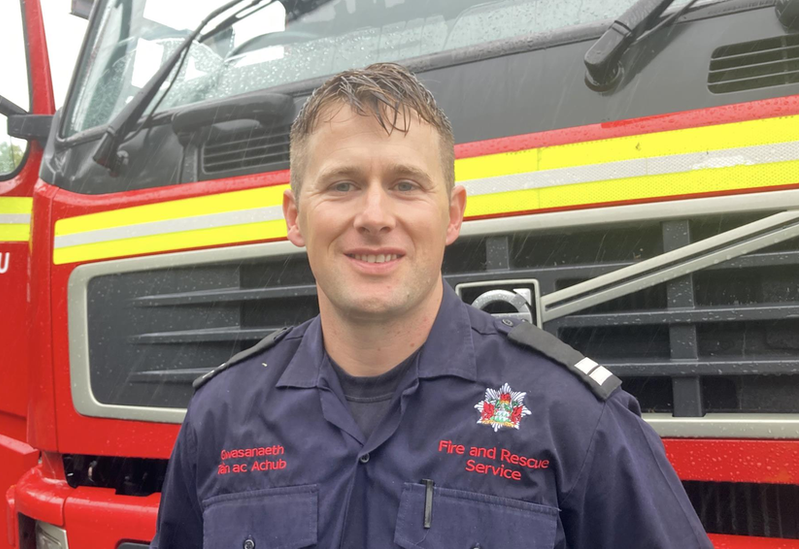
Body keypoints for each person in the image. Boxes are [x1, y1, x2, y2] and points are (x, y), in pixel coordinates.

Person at [150, 63, 712, 548]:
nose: (373, 216)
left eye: (406, 185)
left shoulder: (574, 419)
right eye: (342, 185)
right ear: (295, 216)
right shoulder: (220, 420)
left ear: (453, 213)